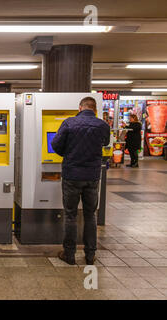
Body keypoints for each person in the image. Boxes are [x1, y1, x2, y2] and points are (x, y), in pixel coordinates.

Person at [51, 97, 110, 265]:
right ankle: (90, 255)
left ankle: (69, 254)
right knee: (90, 215)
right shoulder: (103, 125)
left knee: (70, 215)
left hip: (72, 175)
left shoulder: (69, 123)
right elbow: (105, 143)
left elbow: (55, 145)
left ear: (80, 107)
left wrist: (68, 153)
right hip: (92, 176)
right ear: (95, 109)